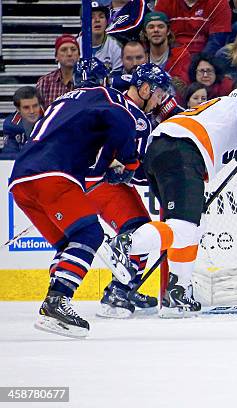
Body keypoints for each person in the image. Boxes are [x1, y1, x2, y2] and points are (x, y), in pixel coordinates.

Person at [105, 88, 237, 318]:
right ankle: (126, 244)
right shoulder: (236, 102)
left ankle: (178, 294)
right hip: (182, 149)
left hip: (164, 151)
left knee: (193, 228)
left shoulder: (224, 120)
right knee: (185, 227)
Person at [8, 67, 140, 338]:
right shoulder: (104, 94)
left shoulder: (63, 103)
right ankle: (57, 301)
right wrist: (130, 160)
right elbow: (121, 117)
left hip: (20, 179)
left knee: (70, 245)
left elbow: (87, 162)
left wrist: (105, 167)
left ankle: (53, 305)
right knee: (89, 233)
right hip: (53, 175)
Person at [85, 61, 175, 318]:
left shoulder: (115, 101)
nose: (160, 100)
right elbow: (133, 170)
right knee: (141, 232)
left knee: (142, 231)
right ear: (145, 89)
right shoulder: (136, 119)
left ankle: (129, 284)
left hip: (91, 180)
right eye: (158, 93)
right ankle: (117, 291)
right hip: (100, 183)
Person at [154, 0, 231, 58]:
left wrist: (199, 61)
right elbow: (157, 34)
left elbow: (216, 41)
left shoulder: (219, 2)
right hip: (172, 55)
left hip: (205, 57)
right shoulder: (164, 2)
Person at [77, 1, 123, 73]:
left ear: (107, 21)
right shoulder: (74, 46)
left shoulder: (115, 47)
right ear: (82, 23)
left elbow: (116, 77)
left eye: (101, 17)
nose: (97, 20)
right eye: (91, 17)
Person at [36, 34, 79, 108]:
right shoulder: (45, 82)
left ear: (79, 56)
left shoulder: (87, 80)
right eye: (64, 50)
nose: (69, 54)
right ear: (56, 57)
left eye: (73, 49)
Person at [1, 87, 43, 157]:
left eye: (35, 106)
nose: (32, 111)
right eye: (26, 107)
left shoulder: (51, 119)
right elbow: (8, 153)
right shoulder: (11, 124)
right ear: (18, 109)